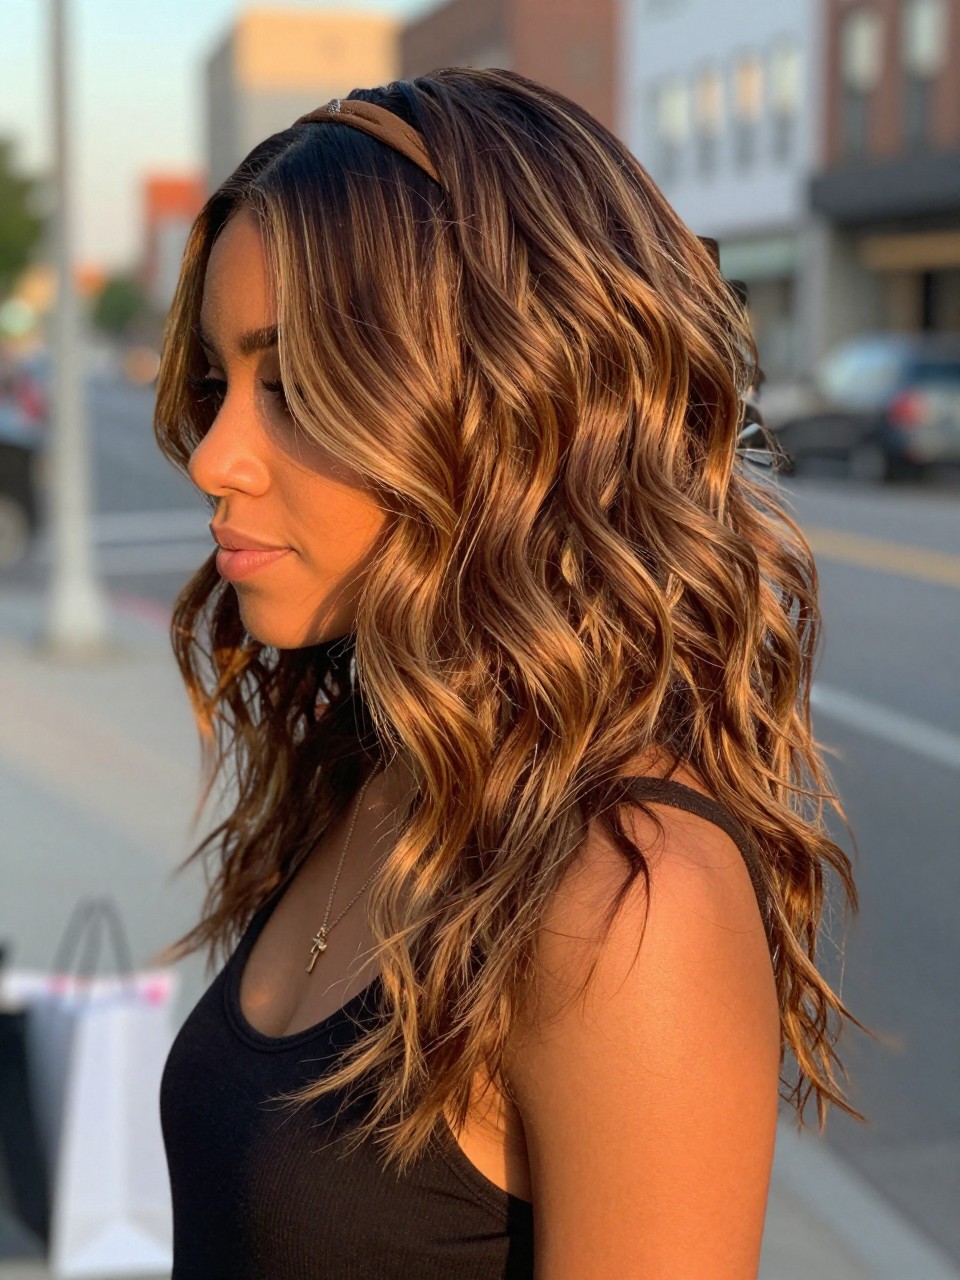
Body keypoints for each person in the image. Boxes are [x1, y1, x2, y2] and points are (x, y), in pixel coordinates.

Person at [153, 68, 865, 1279]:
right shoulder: (385, 770)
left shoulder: (627, 895)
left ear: (505, 403)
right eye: (221, 384)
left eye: (299, 385)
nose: (216, 455)